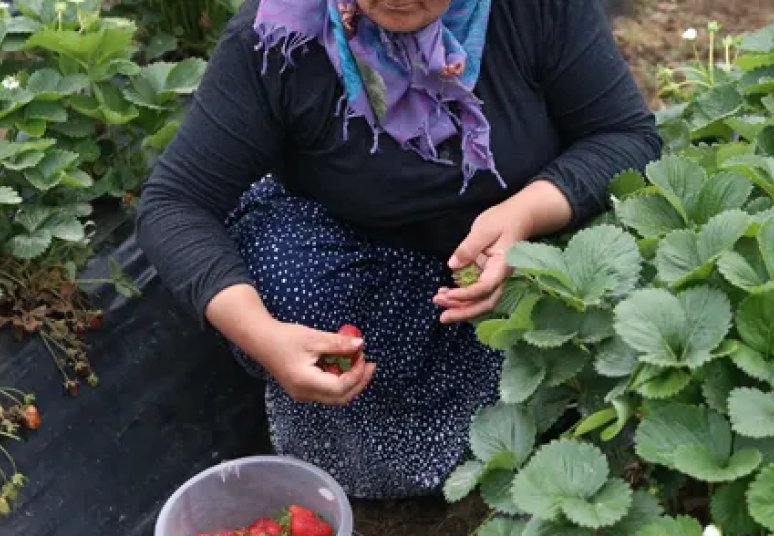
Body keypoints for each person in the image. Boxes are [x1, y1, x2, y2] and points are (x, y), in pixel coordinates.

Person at [138, 0, 660, 499]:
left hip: (515, 273)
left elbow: (623, 136)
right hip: (369, 287)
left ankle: (521, 419)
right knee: (283, 272)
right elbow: (175, 203)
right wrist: (264, 335)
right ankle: (361, 437)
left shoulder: (535, 9)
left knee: (610, 279)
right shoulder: (279, 38)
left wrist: (524, 214)